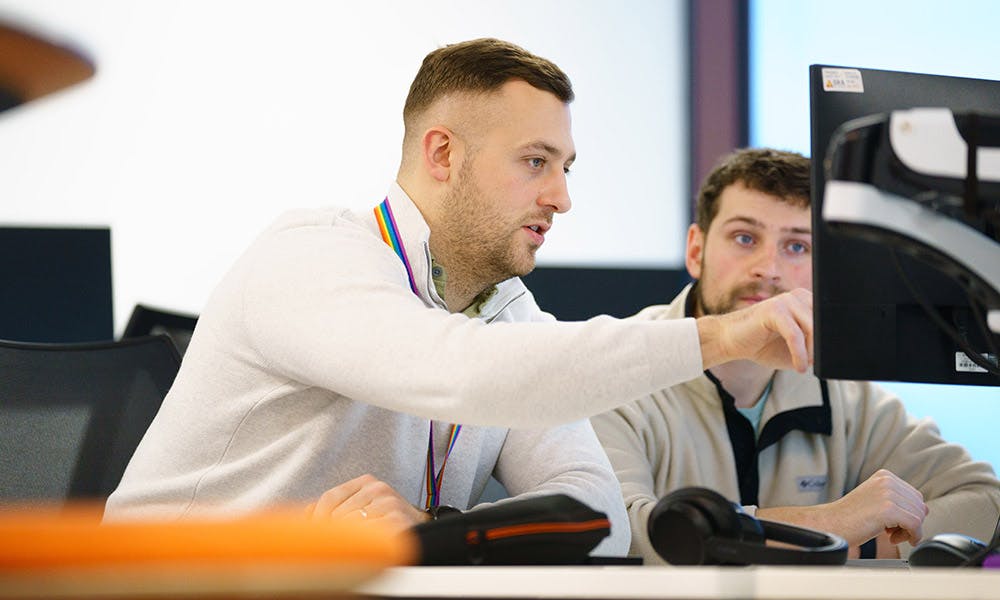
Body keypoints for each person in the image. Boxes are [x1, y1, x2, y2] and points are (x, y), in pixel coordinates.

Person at [105, 40, 813, 556]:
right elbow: (460, 373)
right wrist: (722, 336)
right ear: (443, 154)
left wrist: (436, 531)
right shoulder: (309, 255)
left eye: (565, 168)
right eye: (536, 162)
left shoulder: (504, 311)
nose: (562, 198)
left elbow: (600, 516)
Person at [592, 147, 1000, 563]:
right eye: (744, 238)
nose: (768, 268)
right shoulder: (619, 367)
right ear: (696, 251)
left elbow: (987, 503)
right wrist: (830, 526)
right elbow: (617, 533)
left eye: (797, 247)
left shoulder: (842, 389)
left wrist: (858, 545)